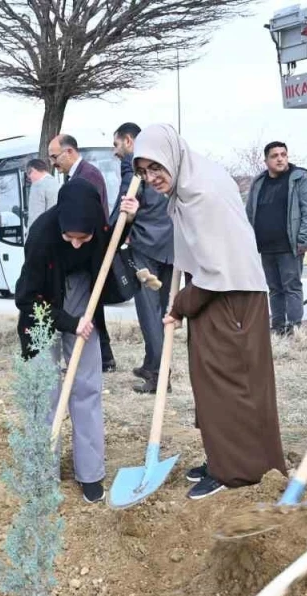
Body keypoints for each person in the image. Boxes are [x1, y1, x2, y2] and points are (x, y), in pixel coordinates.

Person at [128, 123, 286, 500]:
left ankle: (235, 470)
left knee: (229, 386)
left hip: (231, 298)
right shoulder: (191, 178)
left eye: (156, 169)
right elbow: (201, 253)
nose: (151, 178)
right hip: (223, 294)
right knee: (215, 383)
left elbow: (216, 269)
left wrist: (180, 304)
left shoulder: (202, 194)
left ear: (172, 157)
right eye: (143, 172)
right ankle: (224, 457)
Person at [15, 180, 112, 504]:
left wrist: (131, 218)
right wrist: (71, 323)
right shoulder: (43, 235)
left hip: (83, 294)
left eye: (82, 239)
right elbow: (26, 299)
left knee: (86, 387)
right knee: (45, 388)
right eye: (68, 237)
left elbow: (111, 254)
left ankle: (91, 472)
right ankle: (43, 472)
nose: (74, 245)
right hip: (41, 307)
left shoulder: (101, 229)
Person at [113, 122, 176, 394]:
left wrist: (113, 229)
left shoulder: (134, 164)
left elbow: (128, 201)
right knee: (162, 311)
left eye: (116, 145)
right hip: (172, 244)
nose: (117, 152)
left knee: (150, 314)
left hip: (147, 245)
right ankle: (151, 363)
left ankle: (158, 376)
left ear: (129, 141)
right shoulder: (165, 159)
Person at [49, 133, 115, 372]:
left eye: (54, 156)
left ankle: (104, 357)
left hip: (91, 253)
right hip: (85, 252)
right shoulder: (75, 175)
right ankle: (103, 357)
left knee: (94, 307)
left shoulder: (88, 175)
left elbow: (90, 217)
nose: (53, 162)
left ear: (69, 152)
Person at [245, 141, 307, 335]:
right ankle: (277, 327)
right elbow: (250, 211)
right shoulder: (259, 182)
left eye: (283, 154)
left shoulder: (300, 178)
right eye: (274, 155)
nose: (280, 158)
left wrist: (304, 240)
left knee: (291, 287)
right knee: (274, 288)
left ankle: (294, 328)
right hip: (265, 246)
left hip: (290, 245)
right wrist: (248, 239)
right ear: (266, 160)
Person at [25, 158, 59, 231]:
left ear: (33, 170)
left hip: (42, 235)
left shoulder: (37, 185)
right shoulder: (56, 183)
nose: (30, 179)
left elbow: (35, 217)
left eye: (29, 176)